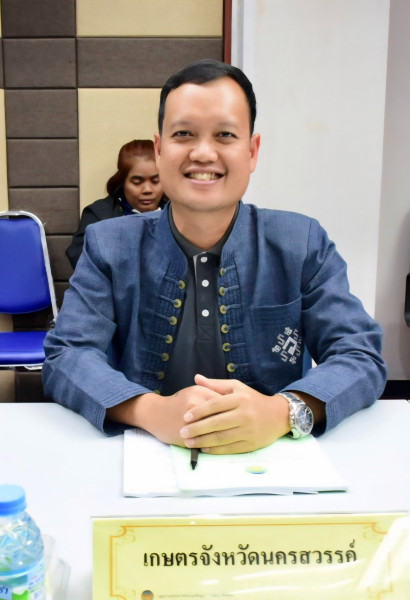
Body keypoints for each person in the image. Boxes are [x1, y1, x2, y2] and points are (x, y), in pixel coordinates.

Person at [43, 59, 386, 455]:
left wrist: (282, 412)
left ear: (252, 152)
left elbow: (360, 354)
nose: (203, 153)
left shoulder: (301, 242)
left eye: (225, 134)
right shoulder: (109, 244)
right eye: (183, 134)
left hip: (272, 458)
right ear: (159, 150)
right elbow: (68, 354)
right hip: (143, 456)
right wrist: (150, 410)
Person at [66, 139, 167, 268]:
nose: (147, 190)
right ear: (122, 182)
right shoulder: (98, 215)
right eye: (137, 182)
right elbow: (80, 259)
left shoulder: (179, 213)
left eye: (156, 181)